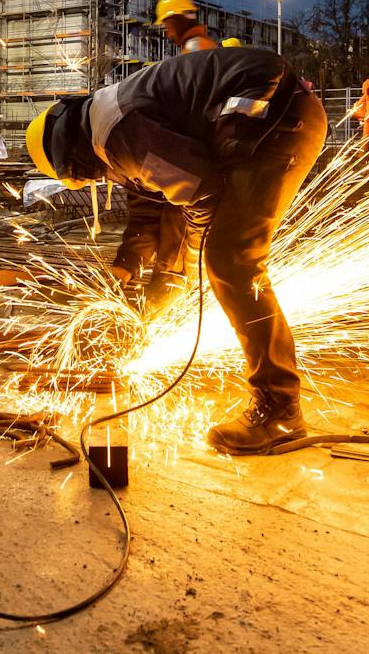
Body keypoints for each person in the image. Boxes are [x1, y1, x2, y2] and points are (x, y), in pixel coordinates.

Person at [25, 45, 327, 455]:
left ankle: (279, 411)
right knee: (213, 258)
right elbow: (153, 205)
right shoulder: (109, 123)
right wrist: (127, 266)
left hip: (274, 120)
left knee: (230, 261)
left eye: (83, 177)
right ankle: (275, 397)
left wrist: (190, 267)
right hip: (274, 115)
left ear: (70, 155)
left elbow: (202, 192)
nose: (93, 182)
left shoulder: (117, 134)